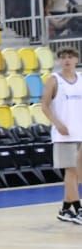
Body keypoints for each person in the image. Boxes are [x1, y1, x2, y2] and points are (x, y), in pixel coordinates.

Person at [40, 47, 82, 225]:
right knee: (70, 172)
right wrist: (57, 124)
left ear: (76, 59)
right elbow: (44, 105)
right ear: (59, 61)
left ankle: (65, 209)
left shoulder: (80, 79)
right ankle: (79, 209)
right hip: (63, 134)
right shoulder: (54, 80)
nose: (67, 60)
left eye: (70, 57)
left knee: (77, 173)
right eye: (63, 57)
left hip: (80, 131)